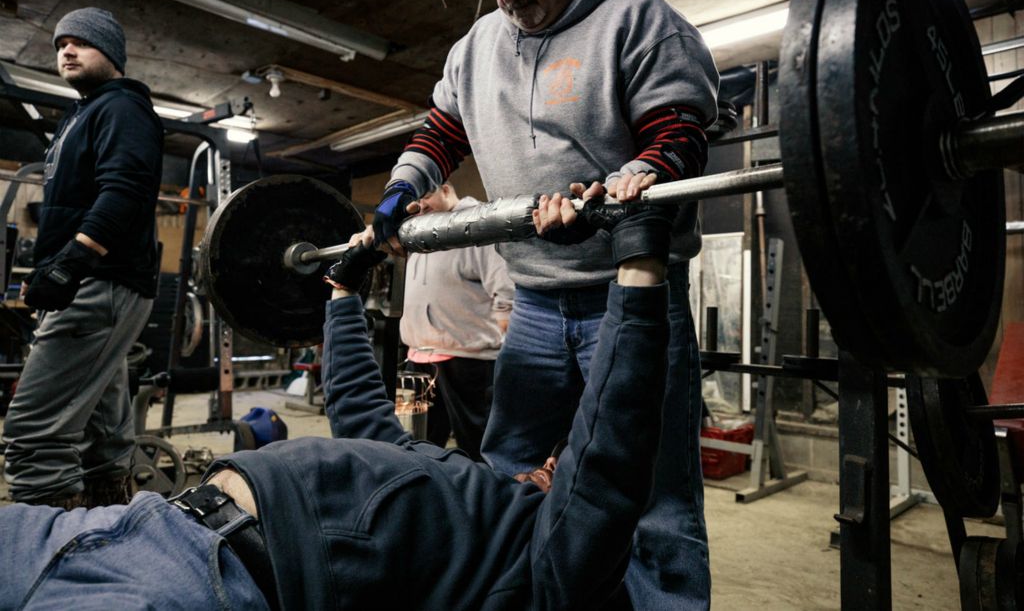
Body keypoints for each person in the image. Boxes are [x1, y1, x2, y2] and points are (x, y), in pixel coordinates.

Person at [1, 191, 677, 610]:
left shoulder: (548, 565)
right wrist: (342, 295)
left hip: (210, 575)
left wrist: (638, 268)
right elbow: (357, 408)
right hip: (154, 521)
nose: (554, 458)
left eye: (561, 464)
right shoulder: (458, 483)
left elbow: (611, 449)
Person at [371, 0, 719, 606]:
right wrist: (400, 186)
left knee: (652, 492)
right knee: (506, 470)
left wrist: (633, 179)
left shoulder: (637, 19)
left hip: (631, 295)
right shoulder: (475, 51)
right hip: (532, 300)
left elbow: (679, 128)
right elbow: (442, 131)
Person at [2, 8, 163, 509]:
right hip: (88, 283)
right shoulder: (84, 114)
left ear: (111, 54)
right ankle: (111, 529)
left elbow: (125, 191)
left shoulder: (122, 109)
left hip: (98, 283)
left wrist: (71, 264)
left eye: (81, 42)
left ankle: (45, 563)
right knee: (103, 435)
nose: (66, 51)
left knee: (32, 435)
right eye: (59, 44)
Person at [400, 181, 514, 460]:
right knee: (421, 447)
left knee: (477, 446)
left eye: (426, 196)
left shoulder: (477, 225)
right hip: (421, 359)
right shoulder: (421, 231)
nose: (420, 205)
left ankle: (484, 500)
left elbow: (506, 289)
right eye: (414, 201)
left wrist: (507, 345)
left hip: (467, 360)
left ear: (447, 189)